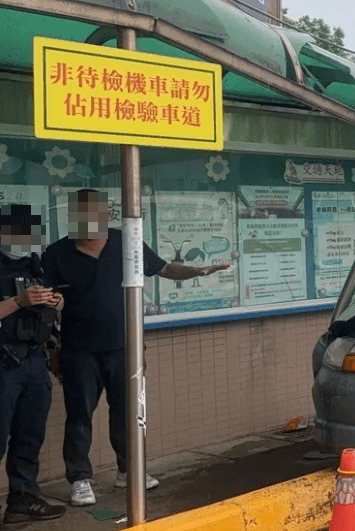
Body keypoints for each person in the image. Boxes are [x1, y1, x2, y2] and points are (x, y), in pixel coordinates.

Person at [41, 189, 230, 507]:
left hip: (124, 347)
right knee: (79, 415)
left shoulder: (124, 243)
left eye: (96, 214)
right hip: (79, 350)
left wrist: (197, 272)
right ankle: (80, 479)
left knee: (127, 413)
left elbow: (164, 268)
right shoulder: (57, 253)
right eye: (82, 216)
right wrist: (51, 332)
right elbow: (46, 298)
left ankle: (128, 471)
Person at [0, 204, 67, 531]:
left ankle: (22, 500)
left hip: (32, 361)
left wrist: (55, 301)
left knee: (29, 436)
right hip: (3, 362)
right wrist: (20, 301)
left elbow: (58, 300)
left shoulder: (34, 264)